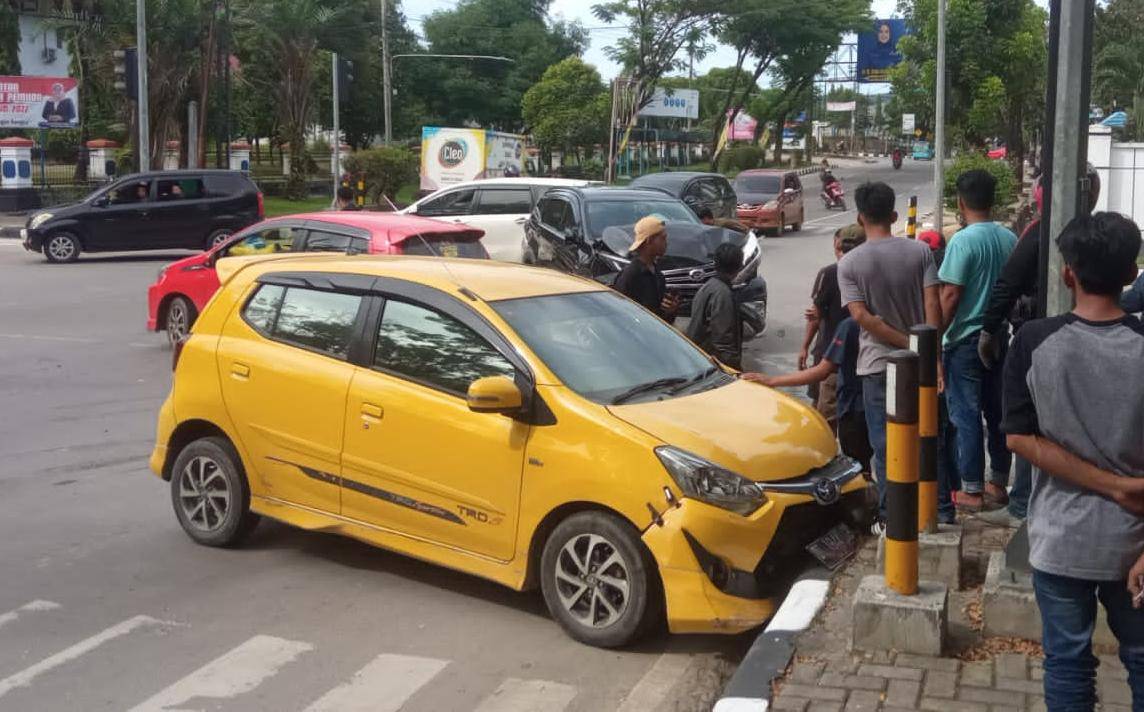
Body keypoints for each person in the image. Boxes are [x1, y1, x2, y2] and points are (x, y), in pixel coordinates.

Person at [1001, 212, 1144, 710]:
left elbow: (1018, 438)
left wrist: (1105, 484)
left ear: (1067, 274)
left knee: (1067, 662)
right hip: (1135, 544)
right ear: (1132, 273)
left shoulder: (1035, 343)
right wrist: (1120, 489)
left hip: (1062, 541)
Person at [977, 165, 1101, 527]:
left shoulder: (1040, 231)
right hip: (1086, 333)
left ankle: (1021, 505)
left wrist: (988, 329)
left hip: (1039, 336)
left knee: (1031, 422)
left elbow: (1007, 284)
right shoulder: (1093, 231)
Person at [838, 182, 941, 531]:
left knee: (885, 444)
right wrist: (928, 352)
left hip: (879, 366)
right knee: (925, 437)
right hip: (921, 367)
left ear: (860, 217)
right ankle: (933, 510)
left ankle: (891, 518)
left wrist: (904, 343)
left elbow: (862, 318)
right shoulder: (920, 253)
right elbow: (932, 306)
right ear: (894, 215)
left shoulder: (850, 263)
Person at [743, 230, 872, 473]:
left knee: (828, 429)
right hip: (875, 400)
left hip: (849, 393)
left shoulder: (849, 325)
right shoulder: (882, 315)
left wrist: (772, 380)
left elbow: (821, 370)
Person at [939, 170, 1017, 513]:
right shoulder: (1008, 238)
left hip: (965, 339)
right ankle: (998, 483)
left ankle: (971, 490)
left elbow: (951, 295)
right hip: (999, 335)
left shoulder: (963, 241)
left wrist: (934, 336)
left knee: (965, 414)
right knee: (996, 410)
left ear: (960, 201)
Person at [800, 224, 865, 429]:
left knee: (826, 416)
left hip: (832, 357)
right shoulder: (873, 270)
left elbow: (815, 315)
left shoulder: (830, 273)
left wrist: (804, 347)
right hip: (865, 357)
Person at [685, 243, 744, 368]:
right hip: (713, 364)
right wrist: (734, 369)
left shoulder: (708, 286)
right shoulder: (723, 294)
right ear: (739, 266)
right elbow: (723, 340)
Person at [614, 216, 680, 321]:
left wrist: (671, 311)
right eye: (663, 238)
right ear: (649, 241)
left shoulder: (658, 275)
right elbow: (620, 316)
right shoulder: (630, 276)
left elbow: (662, 319)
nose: (666, 243)